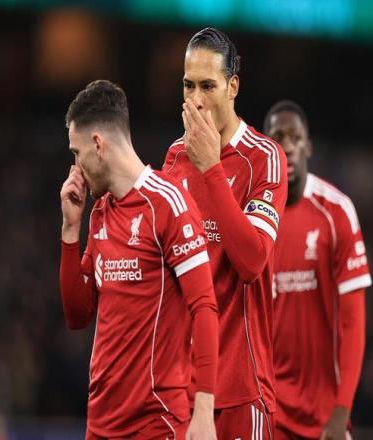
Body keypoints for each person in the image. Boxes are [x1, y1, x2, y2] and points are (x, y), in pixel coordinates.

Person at [59, 80, 219, 439]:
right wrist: (70, 231)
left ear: (98, 144)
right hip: (100, 424)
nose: (76, 166)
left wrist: (204, 410)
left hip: (154, 422)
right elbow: (77, 315)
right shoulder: (100, 212)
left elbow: (205, 307)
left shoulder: (168, 204)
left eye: (77, 152)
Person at [163, 28, 287, 439]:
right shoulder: (175, 158)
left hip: (241, 391)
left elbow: (252, 262)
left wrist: (211, 169)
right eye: (188, 85)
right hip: (180, 392)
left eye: (208, 86)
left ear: (232, 87)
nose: (196, 99)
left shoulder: (264, 157)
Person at [263, 100, 372, 440]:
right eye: (277, 138)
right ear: (266, 149)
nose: (287, 147)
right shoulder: (253, 219)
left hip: (325, 419)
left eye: (295, 138)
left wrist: (342, 411)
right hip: (267, 413)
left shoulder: (336, 212)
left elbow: (353, 322)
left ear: (308, 146)